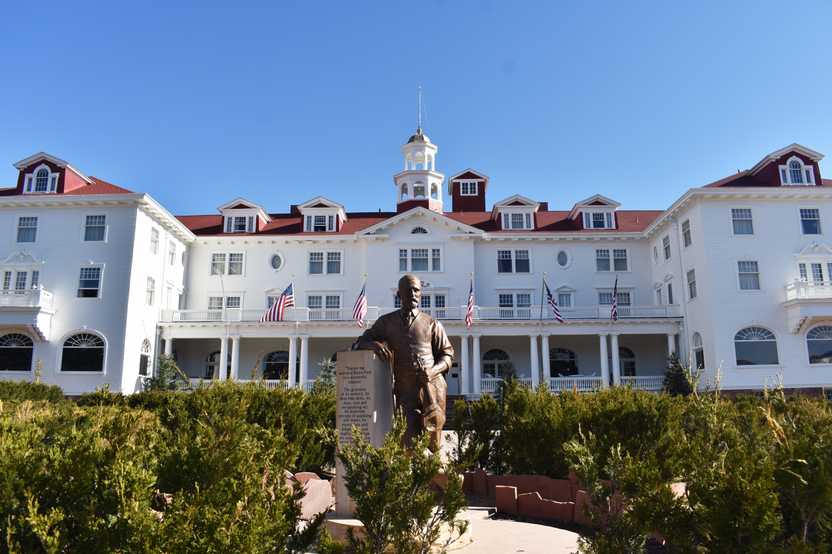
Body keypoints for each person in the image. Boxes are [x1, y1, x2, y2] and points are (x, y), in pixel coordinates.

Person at [353, 274, 453, 451]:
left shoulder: (432, 323)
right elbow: (361, 341)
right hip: (405, 391)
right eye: (408, 290)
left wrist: (432, 371)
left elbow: (447, 356)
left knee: (434, 446)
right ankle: (409, 478)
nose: (413, 294)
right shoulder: (387, 322)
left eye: (416, 290)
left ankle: (434, 477)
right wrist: (373, 344)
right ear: (399, 294)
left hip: (432, 387)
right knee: (406, 443)